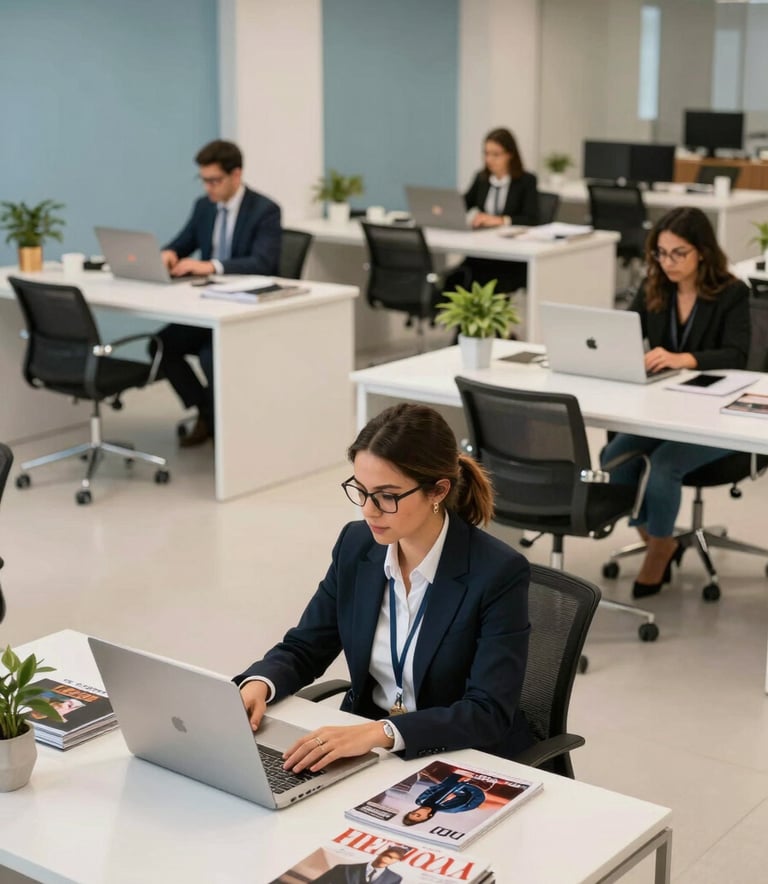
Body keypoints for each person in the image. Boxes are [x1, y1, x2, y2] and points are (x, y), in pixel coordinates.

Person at [234, 403, 532, 771]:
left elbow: (487, 712)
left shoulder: (497, 573)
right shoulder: (356, 546)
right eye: (361, 490)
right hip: (374, 752)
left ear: (438, 491)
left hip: (460, 756)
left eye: (387, 496)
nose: (368, 510)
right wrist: (260, 683)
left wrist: (383, 732)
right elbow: (306, 646)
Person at [600, 206, 751, 598]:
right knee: (615, 458)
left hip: (716, 416)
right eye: (661, 253)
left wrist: (684, 359)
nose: (668, 263)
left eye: (678, 253)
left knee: (664, 466)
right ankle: (658, 540)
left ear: (702, 252)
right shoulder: (655, 286)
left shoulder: (732, 293)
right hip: (663, 408)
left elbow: (737, 355)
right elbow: (623, 332)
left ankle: (658, 552)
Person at [155, 139, 282, 447]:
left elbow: (263, 263)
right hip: (208, 306)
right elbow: (182, 242)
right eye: (204, 180)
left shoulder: (265, 210)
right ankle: (207, 412)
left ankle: (226, 426)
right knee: (160, 346)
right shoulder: (204, 207)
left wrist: (210, 265)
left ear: (236, 175)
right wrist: (168, 254)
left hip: (245, 310)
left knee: (211, 356)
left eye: (215, 180)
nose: (208, 187)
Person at [447, 127, 539, 296]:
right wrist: (443, 209)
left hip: (509, 257)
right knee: (452, 281)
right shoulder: (481, 179)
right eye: (486, 153)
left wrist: (501, 220)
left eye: (496, 154)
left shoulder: (526, 181)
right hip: (481, 252)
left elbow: (532, 219)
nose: (489, 159)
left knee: (481, 282)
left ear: (510, 155)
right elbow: (463, 205)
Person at [401, 772, 486, 826]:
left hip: (455, 778)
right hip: (477, 786)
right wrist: (467, 785)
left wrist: (454, 779)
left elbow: (433, 788)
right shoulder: (450, 809)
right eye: (418, 815)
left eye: (412, 812)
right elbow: (477, 798)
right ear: (427, 817)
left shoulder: (420, 800)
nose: (416, 811)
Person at [310, 847, 406, 884]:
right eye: (387, 855)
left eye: (394, 858)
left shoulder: (395, 878)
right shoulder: (343, 868)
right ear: (380, 854)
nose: (388, 859)